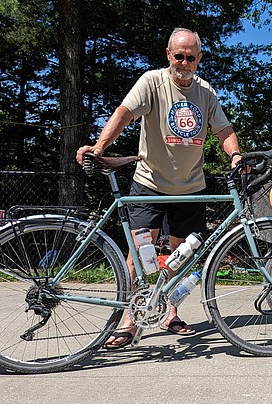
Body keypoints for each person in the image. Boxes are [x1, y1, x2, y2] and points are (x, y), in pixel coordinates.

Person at [76, 27, 244, 349]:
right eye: (178, 56)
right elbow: (124, 113)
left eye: (190, 57)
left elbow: (223, 129)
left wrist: (235, 154)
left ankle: (170, 312)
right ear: (169, 55)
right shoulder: (152, 82)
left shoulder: (206, 93)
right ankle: (129, 320)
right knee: (139, 255)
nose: (183, 62)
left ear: (199, 59)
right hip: (150, 183)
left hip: (191, 187)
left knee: (181, 256)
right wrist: (99, 147)